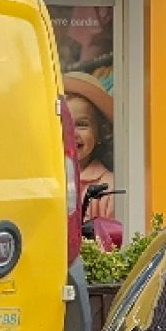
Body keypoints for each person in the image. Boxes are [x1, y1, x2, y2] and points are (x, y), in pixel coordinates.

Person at [64, 71, 117, 222]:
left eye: (81, 124)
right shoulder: (47, 181)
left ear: (100, 132)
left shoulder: (107, 187)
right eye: (62, 124)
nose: (70, 133)